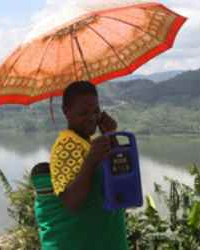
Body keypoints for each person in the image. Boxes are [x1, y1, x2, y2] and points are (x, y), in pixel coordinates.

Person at [33, 81, 128, 250]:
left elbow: (122, 176)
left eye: (96, 110)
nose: (92, 117)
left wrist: (111, 134)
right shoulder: (66, 147)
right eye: (83, 112)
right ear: (66, 112)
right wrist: (91, 161)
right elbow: (72, 202)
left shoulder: (87, 143)